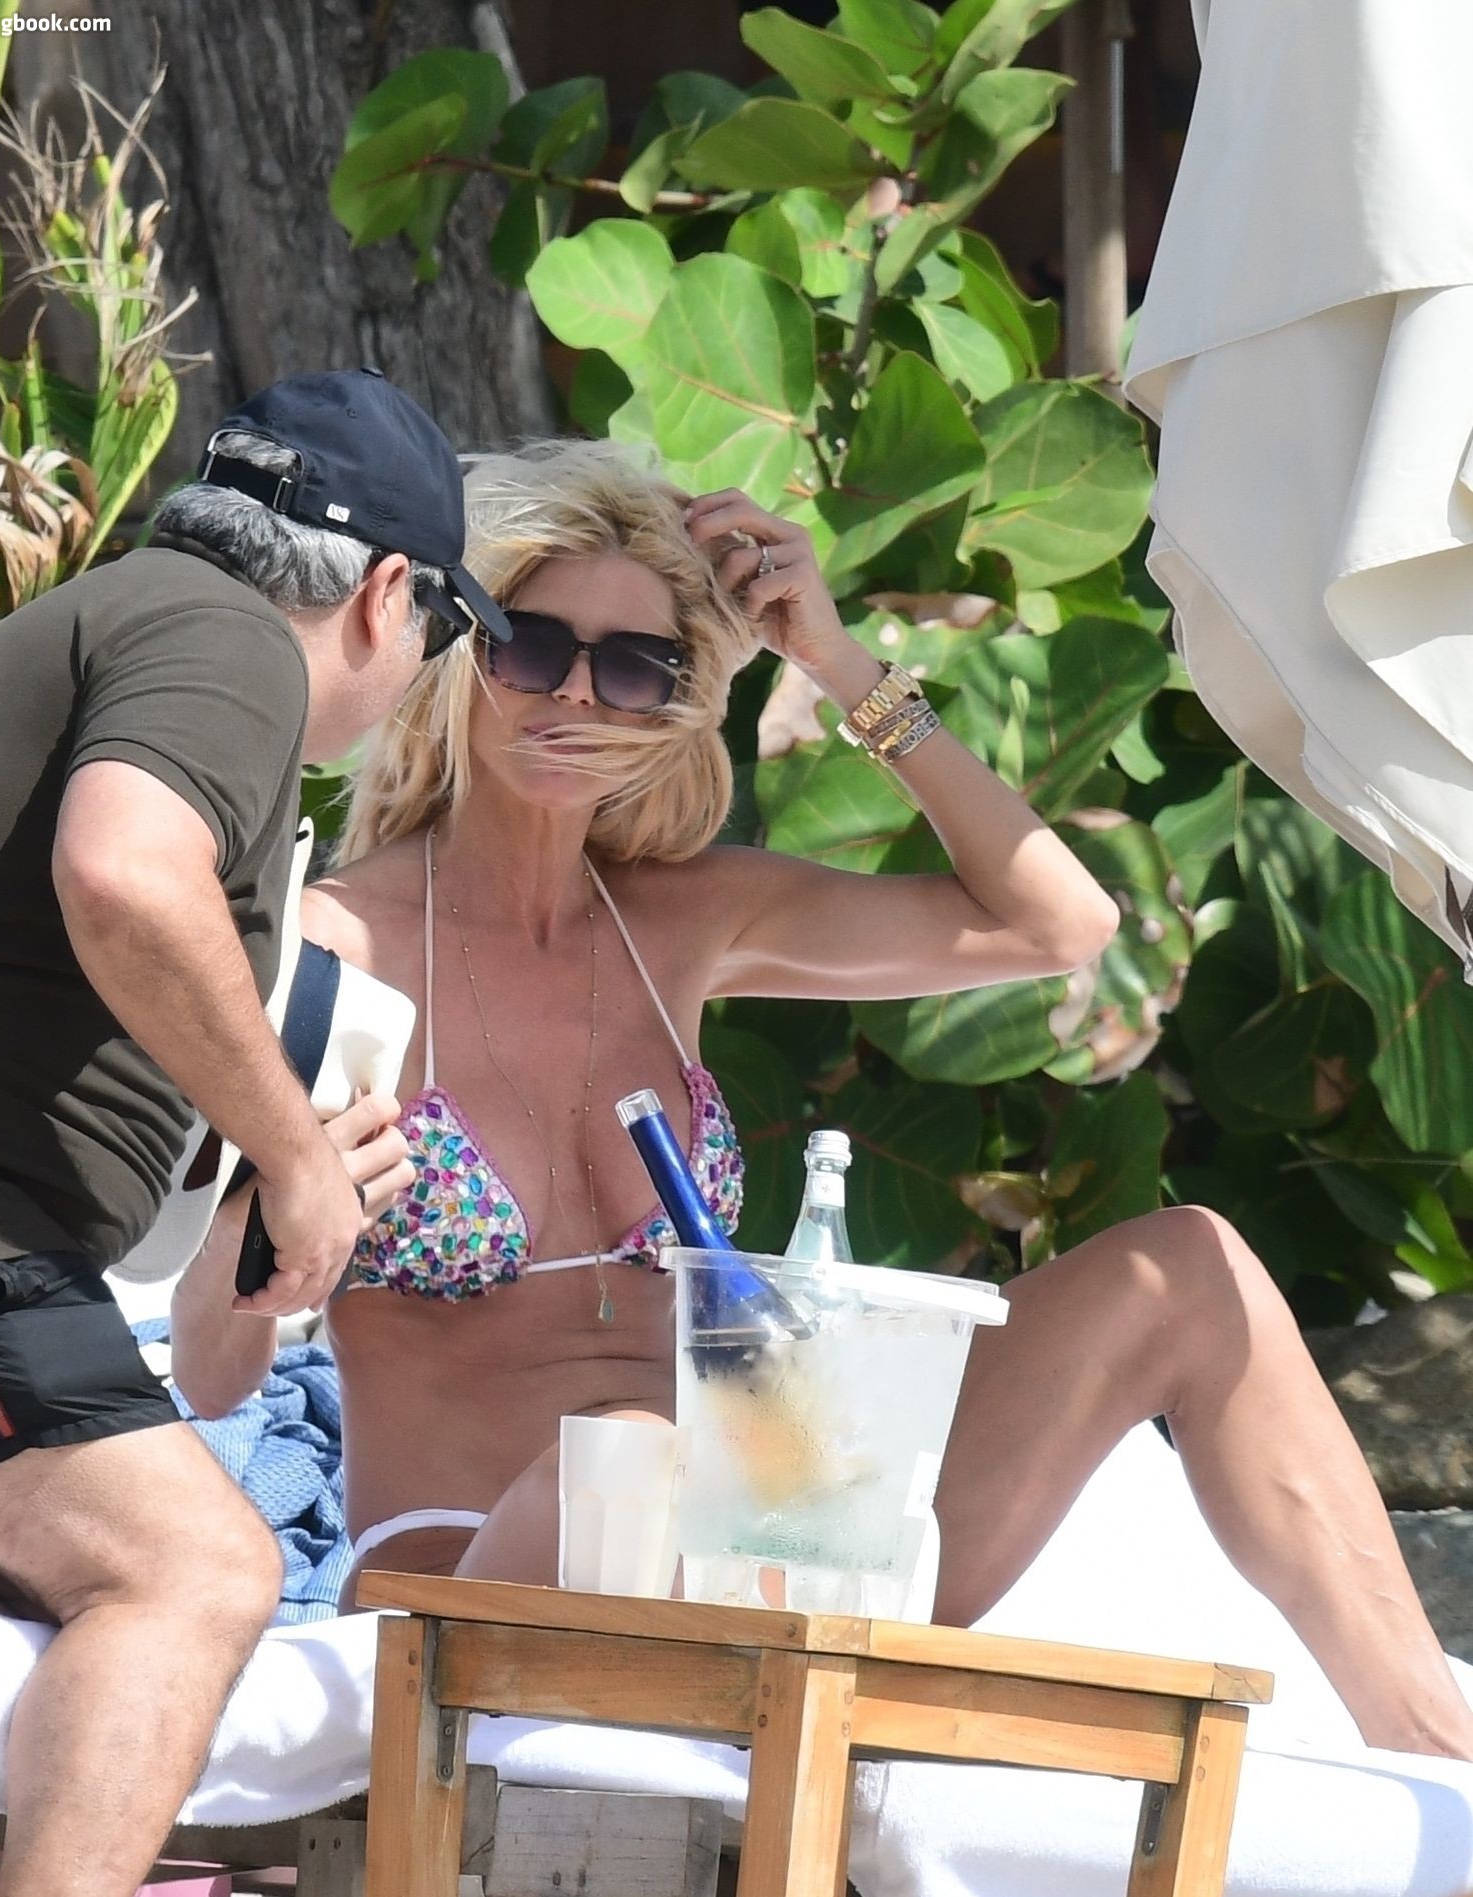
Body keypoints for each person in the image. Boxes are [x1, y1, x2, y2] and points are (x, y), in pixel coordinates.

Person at [172, 438, 1473, 1764]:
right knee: (632, 1449)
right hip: (479, 1574)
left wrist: (840, 664)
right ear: (462, 647)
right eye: (534, 646)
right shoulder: (330, 949)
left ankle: (1439, 1757)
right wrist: (267, 1227)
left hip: (763, 1541)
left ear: (677, 699)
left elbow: (1063, 925)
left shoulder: (682, 923)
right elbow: (212, 1372)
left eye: (636, 666)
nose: (578, 695)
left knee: (1188, 1268)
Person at [0, 368, 507, 1897]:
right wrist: (293, 1154)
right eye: (447, 632)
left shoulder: (132, 622)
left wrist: (256, 1198)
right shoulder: (227, 639)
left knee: (46, 1570)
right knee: (197, 1571)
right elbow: (127, 872)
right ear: (386, 593)